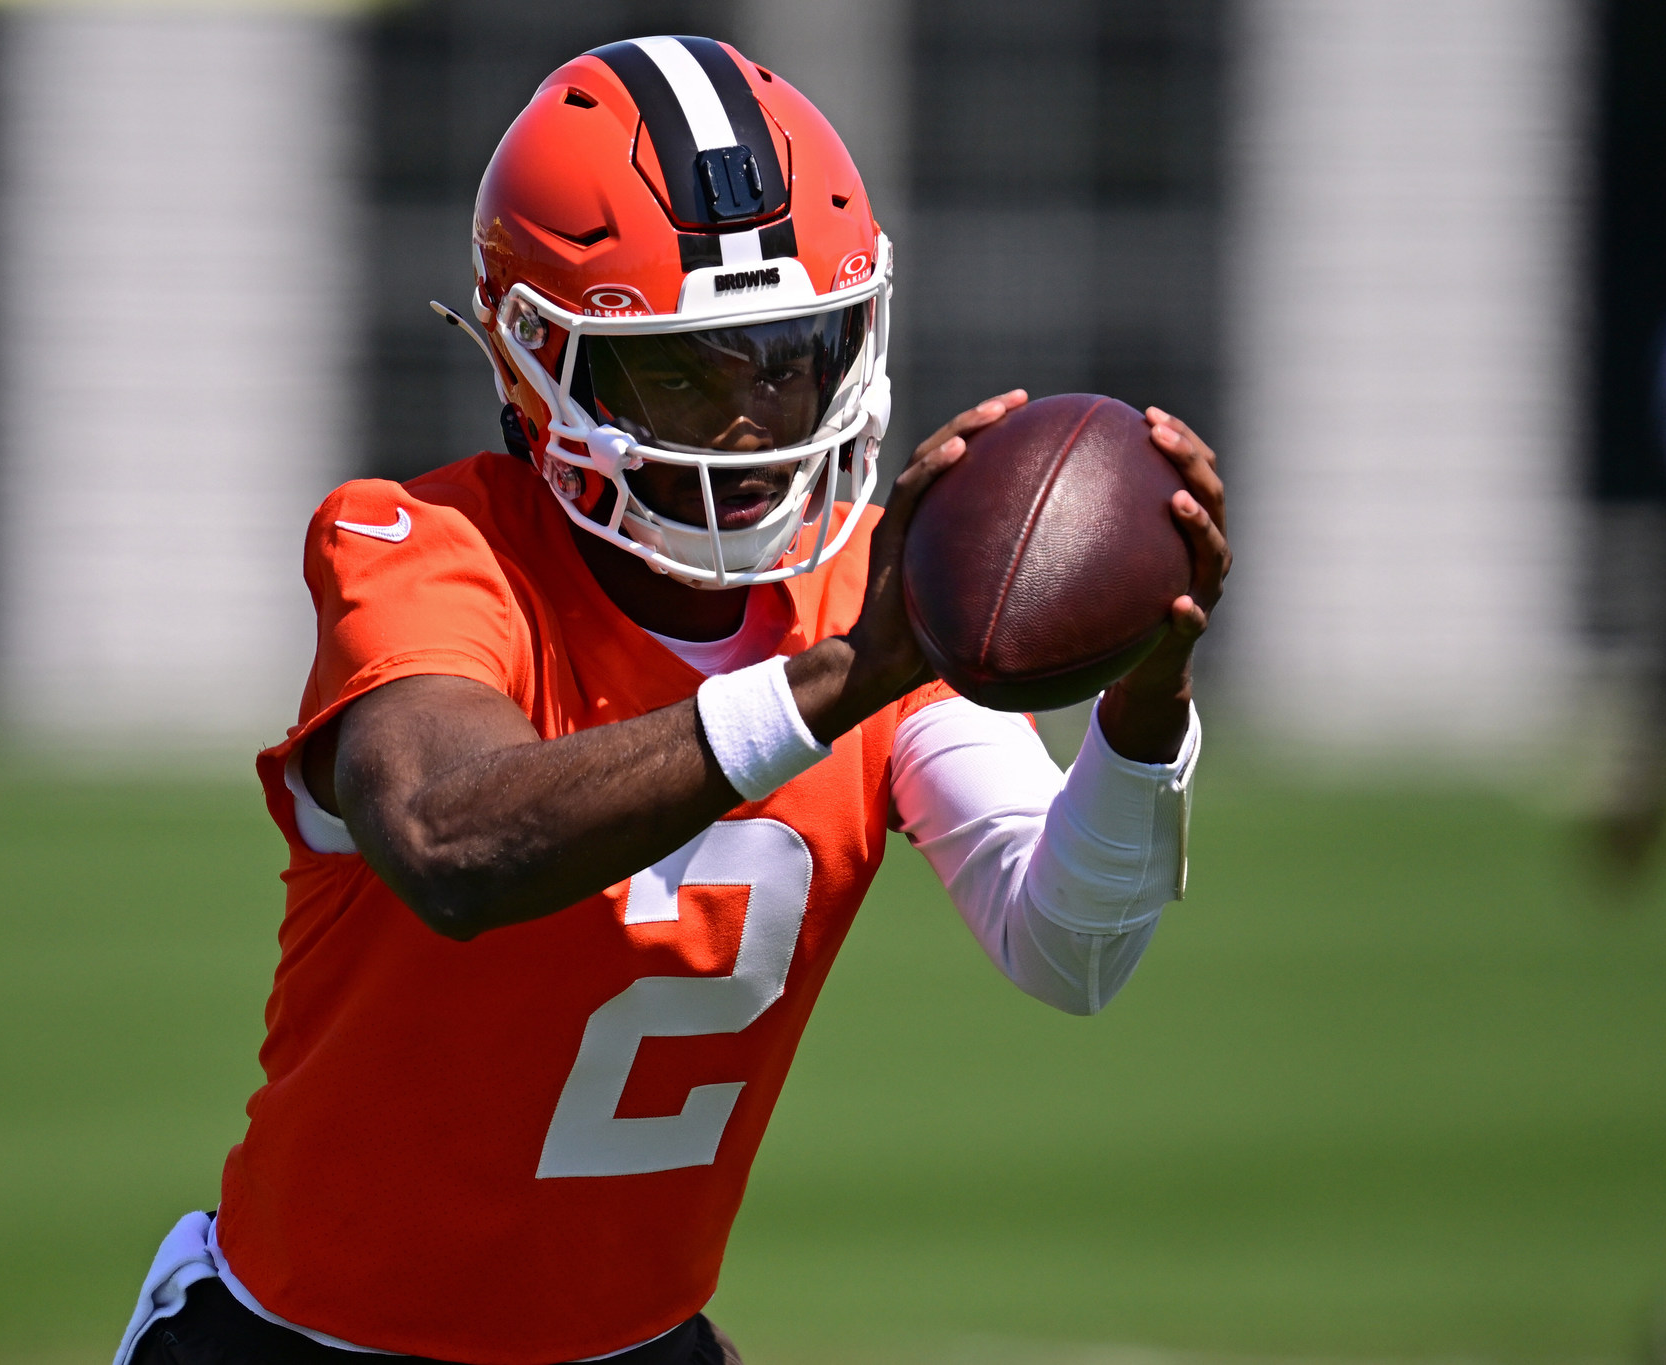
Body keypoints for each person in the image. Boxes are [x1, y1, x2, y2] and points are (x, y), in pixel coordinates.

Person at [114, 35, 1229, 1365]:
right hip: (306, 1346)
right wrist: (836, 680)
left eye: (787, 354)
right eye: (683, 371)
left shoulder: (870, 598)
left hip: (638, 1344)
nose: (752, 422)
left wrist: (1147, 700)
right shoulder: (427, 548)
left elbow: (1073, 948)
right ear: (541, 364)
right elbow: (453, 843)